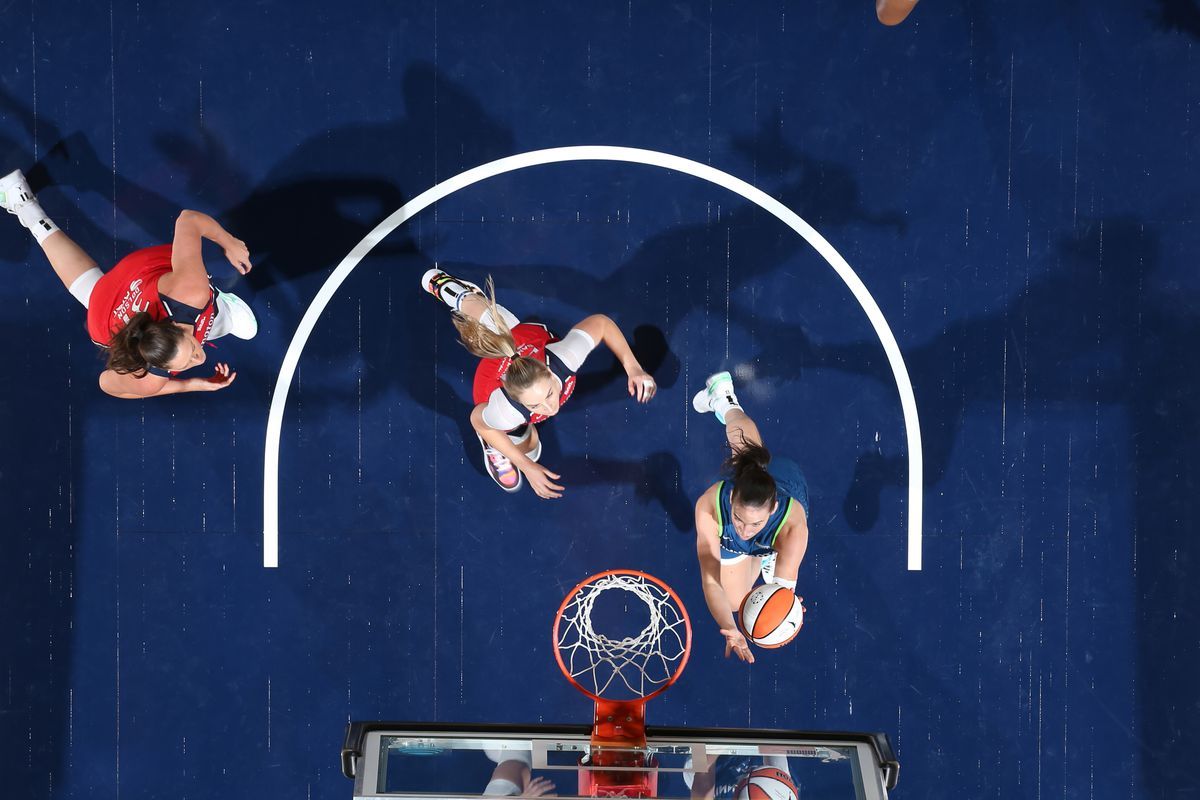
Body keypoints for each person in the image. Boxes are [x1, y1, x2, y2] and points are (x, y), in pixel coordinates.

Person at [0, 168, 257, 399]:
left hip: (144, 272)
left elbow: (188, 220)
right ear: (162, 368)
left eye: (191, 346)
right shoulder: (148, 378)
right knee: (94, 293)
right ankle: (24, 205)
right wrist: (193, 384)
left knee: (236, 322)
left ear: (176, 329)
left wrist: (229, 242)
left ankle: (221, 305)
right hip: (113, 305)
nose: (199, 357)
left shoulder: (190, 292)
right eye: (188, 360)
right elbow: (106, 383)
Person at [422, 268, 656, 498]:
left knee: (505, 329)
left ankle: (463, 295)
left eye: (549, 394)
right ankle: (493, 447)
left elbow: (602, 323)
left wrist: (633, 367)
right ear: (517, 401)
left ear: (546, 369)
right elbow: (479, 421)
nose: (550, 408)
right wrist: (525, 465)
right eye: (536, 407)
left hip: (522, 336)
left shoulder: (564, 357)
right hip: (490, 386)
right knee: (519, 441)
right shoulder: (506, 411)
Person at [691, 371, 810, 663]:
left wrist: (784, 598)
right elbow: (710, 582)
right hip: (752, 492)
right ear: (731, 499)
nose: (744, 530)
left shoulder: (792, 528)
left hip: (785, 485)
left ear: (771, 512)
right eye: (739, 519)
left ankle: (768, 554)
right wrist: (729, 627)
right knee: (749, 455)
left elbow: (782, 598)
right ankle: (725, 400)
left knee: (761, 586)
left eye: (755, 524)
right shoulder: (710, 506)